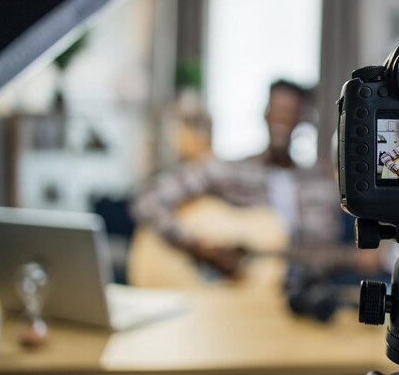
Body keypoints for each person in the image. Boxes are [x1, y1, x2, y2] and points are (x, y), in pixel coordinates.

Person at [132, 80, 382, 279]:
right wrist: (199, 249)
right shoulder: (228, 170)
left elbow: (321, 257)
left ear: (303, 121)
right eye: (277, 111)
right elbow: (149, 201)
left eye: (291, 113)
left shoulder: (322, 185)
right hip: (233, 303)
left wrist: (355, 259)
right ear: (265, 115)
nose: (282, 120)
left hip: (299, 294)